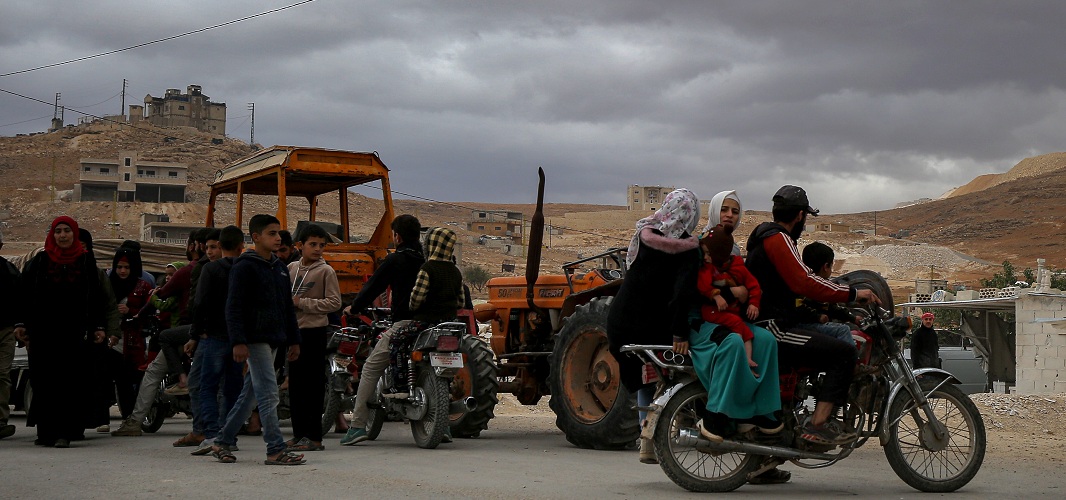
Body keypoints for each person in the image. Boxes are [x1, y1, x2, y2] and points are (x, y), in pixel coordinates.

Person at [744, 185, 880, 446]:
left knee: (835, 339)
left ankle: (770, 454)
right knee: (843, 352)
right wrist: (852, 294)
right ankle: (819, 425)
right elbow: (805, 282)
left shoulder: (770, 238)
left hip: (776, 322)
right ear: (799, 216)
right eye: (805, 217)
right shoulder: (778, 238)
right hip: (773, 326)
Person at [686, 191, 784, 485]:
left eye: (735, 210)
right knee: (731, 344)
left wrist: (745, 297)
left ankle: (763, 412)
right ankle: (718, 414)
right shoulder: (698, 246)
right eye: (724, 209)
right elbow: (693, 289)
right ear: (715, 210)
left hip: (733, 318)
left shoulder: (735, 250)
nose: (729, 214)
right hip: (704, 320)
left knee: (765, 340)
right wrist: (731, 293)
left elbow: (747, 286)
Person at [605, 189, 701, 464]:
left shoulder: (645, 235)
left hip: (621, 322)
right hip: (652, 323)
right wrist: (680, 332)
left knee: (644, 372)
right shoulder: (688, 249)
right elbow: (681, 294)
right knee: (677, 370)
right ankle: (683, 424)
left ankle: (647, 440)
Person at [211, 214, 304, 466]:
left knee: (251, 394)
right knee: (269, 393)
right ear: (255, 237)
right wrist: (238, 342)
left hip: (274, 339)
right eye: (272, 233)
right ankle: (275, 448)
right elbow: (234, 308)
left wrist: (293, 340)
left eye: (279, 233)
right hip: (254, 339)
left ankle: (223, 440)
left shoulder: (280, 268)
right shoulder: (244, 267)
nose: (278, 238)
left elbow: (286, 308)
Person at [13, 216, 110, 448]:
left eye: (67, 231)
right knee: (44, 381)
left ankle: (67, 432)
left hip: (75, 334)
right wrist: (21, 324)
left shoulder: (85, 262)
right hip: (43, 333)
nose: (63, 235)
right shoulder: (39, 262)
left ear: (74, 234)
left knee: (72, 381)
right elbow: (24, 296)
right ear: (52, 235)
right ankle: (47, 432)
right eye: (58, 231)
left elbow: (95, 298)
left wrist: (98, 326)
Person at [339, 214, 425, 446]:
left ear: (397, 237)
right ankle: (442, 426)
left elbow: (372, 286)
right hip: (430, 325)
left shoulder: (396, 260)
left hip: (404, 324)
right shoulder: (427, 260)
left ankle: (357, 425)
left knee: (370, 368)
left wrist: (354, 308)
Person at [187, 225, 247, 455]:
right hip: (237, 340)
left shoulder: (211, 270)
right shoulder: (246, 269)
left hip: (213, 337)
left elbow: (199, 303)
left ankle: (211, 433)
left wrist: (196, 332)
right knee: (232, 388)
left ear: (220, 246)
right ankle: (228, 435)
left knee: (208, 387)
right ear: (242, 246)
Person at [284, 224, 341, 452]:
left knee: (313, 386)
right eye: (313, 244)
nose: (318, 249)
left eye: (322, 245)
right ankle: (299, 435)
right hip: (293, 333)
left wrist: (302, 303)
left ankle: (315, 437)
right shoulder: (290, 268)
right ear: (300, 246)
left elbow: (334, 303)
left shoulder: (326, 271)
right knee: (296, 386)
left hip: (315, 333)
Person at [695, 224, 762, 374]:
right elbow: (702, 286)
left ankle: (747, 360)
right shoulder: (707, 269)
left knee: (747, 333)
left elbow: (754, 286)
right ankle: (741, 361)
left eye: (709, 254)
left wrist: (754, 304)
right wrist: (716, 295)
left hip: (729, 311)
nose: (705, 258)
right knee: (737, 327)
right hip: (712, 311)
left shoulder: (737, 268)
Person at [106, 245, 153, 421]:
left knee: (130, 380)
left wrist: (131, 310)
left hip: (133, 342)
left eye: (127, 267)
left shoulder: (143, 286)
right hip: (111, 340)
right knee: (110, 379)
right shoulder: (108, 284)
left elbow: (149, 313)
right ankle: (109, 418)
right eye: (119, 267)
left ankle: (131, 418)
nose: (123, 271)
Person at [796, 242, 860, 346]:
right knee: (842, 330)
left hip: (809, 324)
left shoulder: (805, 281)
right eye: (831, 265)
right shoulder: (812, 286)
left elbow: (830, 307)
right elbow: (798, 307)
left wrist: (853, 318)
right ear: (826, 267)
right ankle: (850, 361)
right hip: (804, 325)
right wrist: (817, 317)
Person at [0, 229, 20, 439]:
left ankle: (0, 420)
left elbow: (20, 300)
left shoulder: (9, 270)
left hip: (5, 330)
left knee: (2, 375)